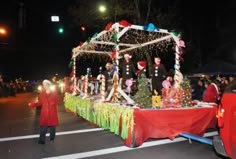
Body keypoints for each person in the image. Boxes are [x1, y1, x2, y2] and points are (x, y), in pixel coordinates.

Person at [28, 80, 61, 144]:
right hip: (45, 114)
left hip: (52, 113)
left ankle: (52, 137)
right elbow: (39, 103)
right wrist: (32, 104)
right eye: (44, 85)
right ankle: (41, 140)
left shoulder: (54, 93)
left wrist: (53, 102)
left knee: (52, 127)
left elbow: (58, 102)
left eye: (46, 85)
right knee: (43, 127)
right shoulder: (42, 94)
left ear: (49, 85)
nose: (45, 86)